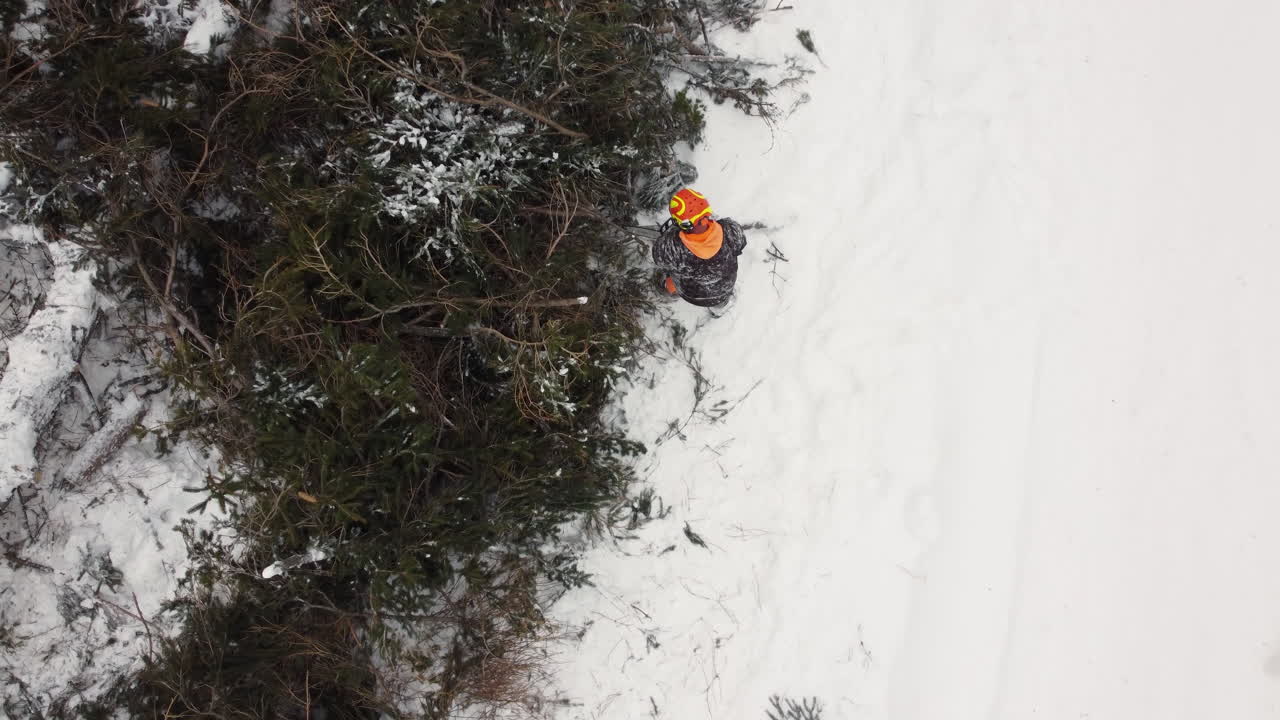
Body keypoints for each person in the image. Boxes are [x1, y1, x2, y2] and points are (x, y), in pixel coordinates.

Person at [653, 188, 747, 308]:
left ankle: (668, 290)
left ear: (684, 224)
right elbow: (741, 243)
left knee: (671, 274)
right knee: (720, 299)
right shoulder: (731, 230)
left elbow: (658, 258)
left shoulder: (673, 247)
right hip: (725, 288)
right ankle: (719, 307)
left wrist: (671, 235)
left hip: (692, 294)